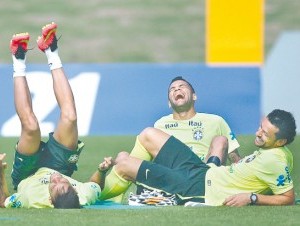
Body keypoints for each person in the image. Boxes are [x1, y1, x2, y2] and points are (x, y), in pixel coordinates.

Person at [0, 23, 112, 209]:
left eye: (54, 185)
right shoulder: (83, 196)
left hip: (28, 173)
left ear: (50, 200)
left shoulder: (32, 199)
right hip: (61, 164)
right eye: (65, 183)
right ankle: (51, 50)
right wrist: (101, 171)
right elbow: (95, 186)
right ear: (75, 190)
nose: (56, 179)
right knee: (70, 117)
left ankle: (18, 59)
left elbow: (3, 202)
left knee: (31, 127)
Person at [105, 109, 296, 206]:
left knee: (122, 162)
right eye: (261, 127)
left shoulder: (275, 160)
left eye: (265, 133)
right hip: (204, 171)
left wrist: (251, 197)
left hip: (198, 188)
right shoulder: (278, 152)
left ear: (281, 142)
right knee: (149, 133)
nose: (258, 133)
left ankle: (95, 197)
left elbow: (288, 197)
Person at [99, 76, 241, 200]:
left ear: (194, 96)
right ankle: (101, 191)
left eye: (182, 87)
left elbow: (235, 160)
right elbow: (148, 162)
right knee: (123, 157)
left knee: (220, 140)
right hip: (175, 176)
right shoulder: (160, 124)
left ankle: (207, 187)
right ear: (169, 102)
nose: (177, 90)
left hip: (205, 173)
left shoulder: (216, 121)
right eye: (172, 89)